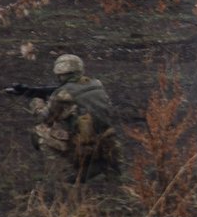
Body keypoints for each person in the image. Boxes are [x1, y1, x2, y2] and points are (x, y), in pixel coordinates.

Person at [16, 54, 122, 183]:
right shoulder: (97, 84)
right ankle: (106, 167)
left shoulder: (62, 94)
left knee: (39, 132)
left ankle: (63, 173)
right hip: (106, 144)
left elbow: (43, 117)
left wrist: (36, 101)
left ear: (59, 72)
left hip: (83, 147)